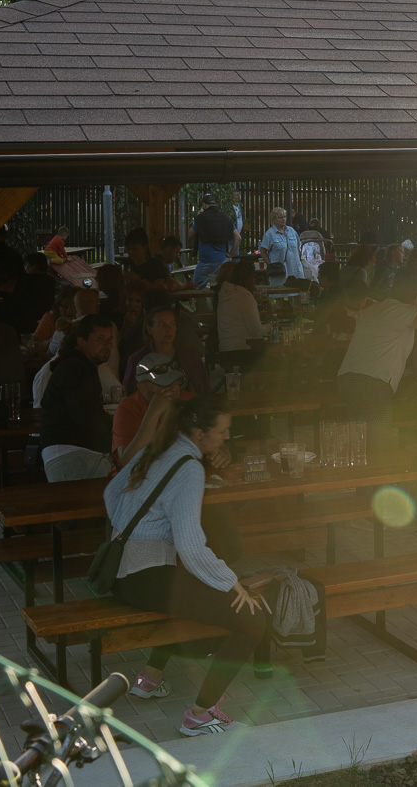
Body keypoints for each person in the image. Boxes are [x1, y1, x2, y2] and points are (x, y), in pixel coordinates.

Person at [108, 396, 270, 735]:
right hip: (146, 578)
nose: (227, 437)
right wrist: (232, 583)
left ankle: (150, 678)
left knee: (191, 595)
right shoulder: (189, 469)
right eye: (222, 432)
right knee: (252, 617)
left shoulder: (159, 448)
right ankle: (200, 714)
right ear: (199, 433)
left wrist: (137, 531)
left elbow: (111, 493)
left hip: (125, 573)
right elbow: (192, 547)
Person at [335, 277, 417, 451]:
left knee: (361, 440)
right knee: (380, 443)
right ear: (415, 298)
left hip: (347, 379)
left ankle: (360, 466)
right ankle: (377, 468)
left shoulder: (373, 310)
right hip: (372, 383)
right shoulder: (403, 311)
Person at [39, 315, 117, 482]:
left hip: (72, 453)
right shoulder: (75, 369)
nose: (107, 344)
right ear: (81, 341)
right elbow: (87, 418)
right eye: (100, 338)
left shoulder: (79, 366)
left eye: (110, 339)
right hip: (72, 456)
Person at [112, 352, 188, 464]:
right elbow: (127, 462)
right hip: (138, 474)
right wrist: (153, 413)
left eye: (176, 382)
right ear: (143, 387)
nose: (173, 389)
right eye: (164, 384)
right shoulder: (127, 409)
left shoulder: (188, 401)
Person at [122, 305, 208, 396]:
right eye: (162, 325)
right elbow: (129, 394)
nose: (168, 329)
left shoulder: (189, 355)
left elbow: (203, 388)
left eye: (172, 324)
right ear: (150, 329)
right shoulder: (138, 359)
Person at [213, 261, 265, 368]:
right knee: (277, 360)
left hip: (224, 348)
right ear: (246, 278)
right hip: (242, 350)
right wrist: (272, 326)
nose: (255, 280)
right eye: (253, 276)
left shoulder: (225, 293)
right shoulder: (244, 296)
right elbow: (256, 332)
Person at [190, 193, 236, 286]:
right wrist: (231, 254)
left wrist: (197, 220)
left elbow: (190, 234)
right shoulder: (225, 218)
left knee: (196, 285)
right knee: (218, 286)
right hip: (221, 261)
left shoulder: (201, 218)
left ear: (204, 205)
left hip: (205, 262)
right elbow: (238, 238)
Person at [256, 208, 304, 286]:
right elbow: (263, 252)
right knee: (279, 291)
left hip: (296, 269)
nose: (283, 219)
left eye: (285, 217)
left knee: (298, 290)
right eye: (280, 217)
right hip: (280, 272)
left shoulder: (292, 231)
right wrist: (270, 265)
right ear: (274, 219)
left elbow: (298, 247)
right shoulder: (269, 234)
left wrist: (298, 260)